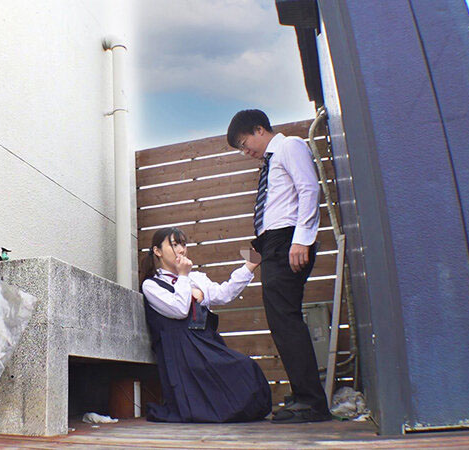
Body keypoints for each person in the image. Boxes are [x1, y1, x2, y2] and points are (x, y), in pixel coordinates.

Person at [226, 109, 331, 423]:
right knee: (281, 321)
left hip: (288, 241)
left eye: (244, 143)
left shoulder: (289, 146)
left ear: (259, 129)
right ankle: (303, 395)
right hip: (274, 244)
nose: (245, 151)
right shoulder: (270, 162)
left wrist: (302, 239)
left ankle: (312, 402)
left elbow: (309, 189)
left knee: (285, 320)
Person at [139, 226, 271, 423]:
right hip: (179, 351)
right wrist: (184, 278)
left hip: (204, 341)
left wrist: (250, 265)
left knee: (245, 368)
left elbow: (223, 294)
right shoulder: (151, 285)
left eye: (183, 245)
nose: (181, 250)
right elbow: (179, 309)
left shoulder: (196, 277)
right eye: (174, 245)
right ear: (157, 251)